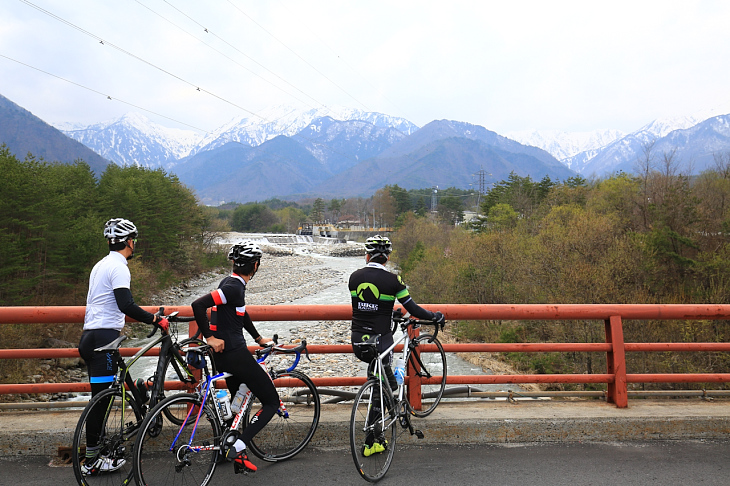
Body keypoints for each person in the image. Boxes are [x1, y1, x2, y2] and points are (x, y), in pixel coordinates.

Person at [77, 218, 169, 474]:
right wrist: (154, 319)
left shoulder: (100, 265)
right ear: (129, 242)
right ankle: (93, 461)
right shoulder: (119, 267)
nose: (134, 244)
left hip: (91, 336)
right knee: (101, 402)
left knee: (115, 386)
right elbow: (125, 305)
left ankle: (139, 392)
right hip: (104, 339)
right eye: (134, 240)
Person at [349, 234, 445, 457]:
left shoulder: (354, 278)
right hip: (381, 342)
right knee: (383, 387)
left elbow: (367, 305)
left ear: (367, 255)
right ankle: (372, 439)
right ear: (387, 257)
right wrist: (435, 316)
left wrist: (386, 310)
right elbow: (414, 309)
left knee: (382, 382)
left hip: (358, 341)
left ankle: (389, 417)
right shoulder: (394, 281)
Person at [191, 240, 279, 474]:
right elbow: (198, 305)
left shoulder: (231, 285)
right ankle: (238, 446)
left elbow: (240, 312)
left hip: (224, 355)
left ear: (233, 263)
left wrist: (258, 338)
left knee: (235, 405)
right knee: (271, 402)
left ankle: (226, 448)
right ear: (256, 265)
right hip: (234, 354)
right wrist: (209, 336)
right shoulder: (233, 287)